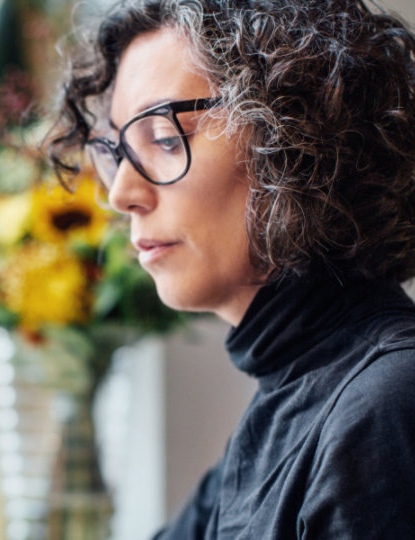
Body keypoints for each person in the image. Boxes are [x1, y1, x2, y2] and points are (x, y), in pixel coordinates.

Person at [47, 0, 415, 537]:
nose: (121, 193)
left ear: (294, 141)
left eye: (166, 139)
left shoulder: (383, 405)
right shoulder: (289, 398)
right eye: (116, 150)